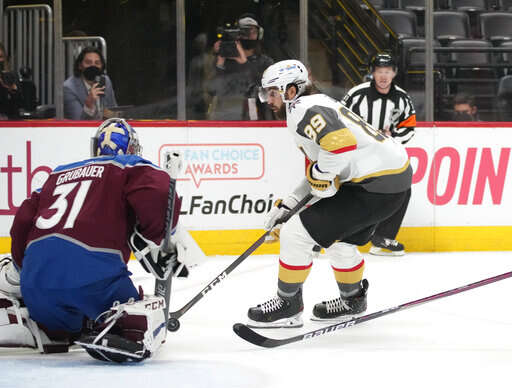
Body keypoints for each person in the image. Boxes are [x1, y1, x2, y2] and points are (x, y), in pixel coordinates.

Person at [0, 118, 185, 363]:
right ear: (131, 148)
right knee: (145, 309)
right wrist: (157, 234)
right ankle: (125, 325)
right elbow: (160, 193)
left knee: (61, 321)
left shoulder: (57, 174)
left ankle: (38, 323)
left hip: (38, 286)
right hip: (95, 280)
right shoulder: (127, 164)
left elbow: (21, 224)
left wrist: (26, 269)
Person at [246, 60, 412, 327]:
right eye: (265, 94)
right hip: (391, 183)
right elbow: (323, 165)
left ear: (291, 91)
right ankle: (352, 300)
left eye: (272, 93)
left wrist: (321, 179)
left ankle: (288, 304)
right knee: (340, 241)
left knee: (295, 234)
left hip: (374, 186)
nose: (267, 100)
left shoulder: (302, 108)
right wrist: (289, 205)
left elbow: (338, 147)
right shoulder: (315, 102)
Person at [342, 53, 415, 256]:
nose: (383, 76)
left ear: (394, 73)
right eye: (379, 72)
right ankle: (324, 235)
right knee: (341, 191)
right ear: (372, 73)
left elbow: (409, 126)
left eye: (387, 72)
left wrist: (391, 141)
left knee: (403, 188)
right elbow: (339, 120)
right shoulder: (357, 95)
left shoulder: (401, 98)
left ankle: (383, 237)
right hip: (356, 154)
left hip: (386, 156)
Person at [208, 13, 274, 120]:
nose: (249, 36)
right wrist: (219, 63)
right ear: (237, 35)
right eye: (245, 32)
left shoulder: (265, 62)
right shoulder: (225, 61)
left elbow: (266, 93)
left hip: (256, 121)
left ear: (259, 34)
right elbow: (212, 90)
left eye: (253, 32)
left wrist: (244, 62)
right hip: (226, 118)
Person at [63, 46, 118, 120]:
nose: (93, 66)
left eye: (97, 63)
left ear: (102, 66)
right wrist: (89, 105)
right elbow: (77, 123)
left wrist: (113, 114)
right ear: (80, 66)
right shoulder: (69, 88)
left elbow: (114, 109)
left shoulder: (105, 80)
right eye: (88, 63)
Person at [0, 42, 24, 120]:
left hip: (9, 119)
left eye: (0, 57)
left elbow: (19, 100)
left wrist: (6, 86)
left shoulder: (12, 75)